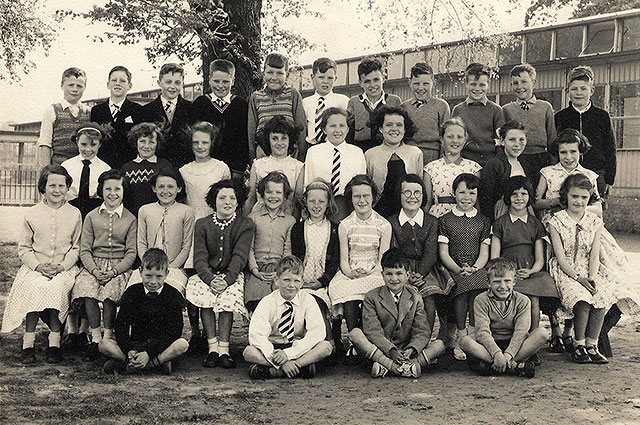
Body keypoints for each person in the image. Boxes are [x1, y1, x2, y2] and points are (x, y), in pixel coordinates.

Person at [1, 165, 82, 364]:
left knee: (56, 287)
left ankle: (54, 342)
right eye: (51, 185)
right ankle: (28, 343)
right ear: (43, 188)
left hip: (64, 268)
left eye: (61, 185)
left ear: (67, 187)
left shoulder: (74, 214)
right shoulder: (32, 213)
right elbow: (24, 248)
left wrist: (62, 266)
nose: (57, 190)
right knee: (34, 286)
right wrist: (38, 266)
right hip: (36, 267)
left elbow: (76, 248)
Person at [547, 174, 621, 364]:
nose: (579, 202)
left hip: (589, 269)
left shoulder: (594, 222)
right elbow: (560, 257)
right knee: (582, 298)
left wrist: (593, 277)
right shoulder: (556, 221)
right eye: (574, 197)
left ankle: (592, 344)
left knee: (600, 294)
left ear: (589, 198)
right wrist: (579, 278)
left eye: (583, 197)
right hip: (566, 271)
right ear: (566, 196)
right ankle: (579, 345)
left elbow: (594, 254)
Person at [185, 179, 254, 369]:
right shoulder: (202, 224)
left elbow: (240, 256)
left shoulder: (245, 224)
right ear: (213, 201)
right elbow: (199, 257)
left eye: (232, 198)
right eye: (222, 197)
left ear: (238, 202)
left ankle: (224, 349)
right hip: (207, 275)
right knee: (204, 297)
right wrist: (210, 279)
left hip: (231, 275)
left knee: (226, 302)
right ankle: (212, 348)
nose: (227, 202)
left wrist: (227, 279)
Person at [490, 176, 559, 363]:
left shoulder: (535, 224)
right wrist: (507, 273)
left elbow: (539, 258)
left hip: (530, 272)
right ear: (507, 197)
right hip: (507, 272)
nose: (519, 198)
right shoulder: (500, 223)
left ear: (529, 196)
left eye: (523, 193)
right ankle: (510, 341)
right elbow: (495, 257)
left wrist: (531, 271)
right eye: (514, 194)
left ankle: (532, 343)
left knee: (533, 299)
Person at [349, 247, 446, 378]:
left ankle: (397, 365)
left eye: (399, 273)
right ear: (382, 275)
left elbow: (422, 330)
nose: (394, 278)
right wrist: (391, 351)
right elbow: (373, 331)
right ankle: (395, 367)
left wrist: (411, 349)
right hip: (382, 349)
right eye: (389, 274)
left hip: (406, 350)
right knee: (355, 334)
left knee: (439, 345)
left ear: (407, 275)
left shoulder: (415, 297)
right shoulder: (372, 297)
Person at [72, 169, 137, 361]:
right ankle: (95, 338)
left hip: (119, 266)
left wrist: (115, 271)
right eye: (108, 188)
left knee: (110, 293)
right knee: (87, 289)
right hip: (94, 264)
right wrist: (93, 270)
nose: (112, 193)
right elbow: (85, 249)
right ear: (101, 190)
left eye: (117, 189)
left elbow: (131, 252)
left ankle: (108, 338)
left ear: (124, 191)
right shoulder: (92, 216)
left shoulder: (130, 218)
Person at [99, 248, 188, 375]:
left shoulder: (173, 295)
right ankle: (149, 364)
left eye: (158, 277)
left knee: (182, 344)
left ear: (166, 274)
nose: (153, 282)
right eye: (148, 276)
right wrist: (129, 350)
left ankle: (138, 364)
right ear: (140, 272)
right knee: (103, 344)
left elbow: (174, 331)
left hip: (161, 347)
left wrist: (149, 354)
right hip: (136, 345)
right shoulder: (132, 292)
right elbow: (121, 325)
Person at [243, 256, 333, 379]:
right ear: (276, 280)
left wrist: (288, 355)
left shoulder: (307, 300)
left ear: (302, 283)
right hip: (272, 347)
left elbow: (316, 333)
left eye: (296, 281)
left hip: (297, 347)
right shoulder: (267, 302)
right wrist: (279, 359)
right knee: (249, 352)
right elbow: (257, 334)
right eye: (286, 280)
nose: (291, 285)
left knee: (325, 347)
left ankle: (278, 371)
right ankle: (299, 369)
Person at [388, 173, 454, 334]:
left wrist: (419, 274)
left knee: (428, 300)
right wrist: (407, 274)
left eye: (417, 193)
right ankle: (403, 339)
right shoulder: (392, 222)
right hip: (401, 269)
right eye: (407, 193)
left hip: (427, 269)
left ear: (423, 196)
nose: (412, 197)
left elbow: (431, 253)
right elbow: (394, 252)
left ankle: (424, 340)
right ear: (400, 195)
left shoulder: (431, 221)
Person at [459, 258, 547, 378]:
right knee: (465, 341)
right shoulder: (481, 300)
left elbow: (521, 332)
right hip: (489, 346)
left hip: (515, 345)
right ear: (488, 283)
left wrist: (507, 355)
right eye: (497, 282)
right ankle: (514, 366)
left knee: (542, 333)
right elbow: (482, 332)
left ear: (514, 281)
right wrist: (496, 353)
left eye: (507, 281)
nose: (502, 286)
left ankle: (496, 365)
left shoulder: (523, 300)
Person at [328, 175, 391, 339]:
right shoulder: (345, 225)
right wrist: (351, 274)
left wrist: (369, 273)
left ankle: (369, 336)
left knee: (374, 287)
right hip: (350, 272)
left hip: (375, 272)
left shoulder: (384, 225)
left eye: (366, 196)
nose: (362, 200)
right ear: (351, 198)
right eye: (357, 196)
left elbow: (382, 261)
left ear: (373, 197)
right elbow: (344, 260)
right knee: (345, 290)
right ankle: (354, 337)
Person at [438, 173, 491, 360]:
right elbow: (443, 252)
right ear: (454, 193)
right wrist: (459, 269)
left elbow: (484, 252)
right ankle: (461, 335)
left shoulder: (483, 221)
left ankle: (474, 335)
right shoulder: (445, 220)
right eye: (462, 192)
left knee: (477, 289)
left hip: (477, 267)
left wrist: (475, 268)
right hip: (454, 267)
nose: (466, 197)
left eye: (471, 193)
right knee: (461, 288)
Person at [290, 179, 341, 349]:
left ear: (328, 203)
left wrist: (322, 281)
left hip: (326, 281)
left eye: (321, 201)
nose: (316, 205)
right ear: (305, 202)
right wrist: (300, 281)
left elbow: (335, 261)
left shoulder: (335, 228)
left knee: (318, 299)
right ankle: (320, 342)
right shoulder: (298, 228)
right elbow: (296, 258)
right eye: (312, 201)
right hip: (303, 280)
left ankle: (330, 340)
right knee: (307, 299)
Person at [555, 65, 616, 199]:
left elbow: (610, 148)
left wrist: (609, 179)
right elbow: (555, 147)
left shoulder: (602, 116)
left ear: (592, 90)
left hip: (596, 172)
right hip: (567, 173)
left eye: (583, 89)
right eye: (574, 89)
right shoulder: (560, 117)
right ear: (567, 91)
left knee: (594, 213)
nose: (579, 93)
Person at [132, 168, 195, 296]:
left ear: (179, 188)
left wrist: (170, 268)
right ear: (154, 188)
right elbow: (141, 243)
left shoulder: (187, 211)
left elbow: (186, 246)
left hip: (175, 268)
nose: (165, 191)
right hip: (148, 268)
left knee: (171, 292)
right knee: (135, 291)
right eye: (161, 187)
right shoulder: (144, 210)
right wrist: (147, 265)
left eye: (170, 187)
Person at [302, 107, 366, 222]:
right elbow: (308, 183)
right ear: (324, 129)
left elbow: (361, 186)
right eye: (332, 126)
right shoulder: (314, 152)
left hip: (347, 207)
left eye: (342, 126)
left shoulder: (357, 152)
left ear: (347, 129)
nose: (337, 130)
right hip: (320, 206)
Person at [245, 171, 296, 312]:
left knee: (280, 300)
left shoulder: (290, 221)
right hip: (257, 269)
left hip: (279, 270)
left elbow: (288, 250)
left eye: (278, 192)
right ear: (262, 194)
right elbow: (249, 248)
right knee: (256, 299)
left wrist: (280, 272)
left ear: (285, 196)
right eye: (269, 192)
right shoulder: (253, 218)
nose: (273, 196)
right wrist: (255, 271)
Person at [192, 60, 250, 179]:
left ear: (233, 81)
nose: (220, 86)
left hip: (232, 168)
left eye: (225, 82)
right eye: (216, 81)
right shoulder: (200, 103)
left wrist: (238, 169)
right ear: (209, 80)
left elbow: (243, 140)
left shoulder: (240, 105)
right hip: (205, 164)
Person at [365, 106, 423, 218]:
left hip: (408, 212)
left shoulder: (416, 153)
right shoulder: (370, 154)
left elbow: (420, 188)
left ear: (405, 129)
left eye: (399, 125)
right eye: (389, 125)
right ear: (381, 129)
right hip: (379, 212)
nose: (394, 129)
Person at [247, 53, 307, 160]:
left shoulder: (293, 95)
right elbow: (251, 131)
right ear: (263, 73)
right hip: (263, 152)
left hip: (289, 152)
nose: (274, 78)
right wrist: (252, 158)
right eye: (270, 72)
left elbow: (301, 127)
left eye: (279, 73)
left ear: (287, 75)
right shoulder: (256, 97)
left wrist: (301, 157)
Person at [535, 129, 602, 224]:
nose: (568, 157)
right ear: (557, 152)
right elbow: (536, 203)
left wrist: (575, 208)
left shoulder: (589, 175)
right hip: (554, 224)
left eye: (573, 151)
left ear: (580, 152)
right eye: (563, 152)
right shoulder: (547, 172)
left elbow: (598, 209)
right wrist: (556, 202)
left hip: (582, 224)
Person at [502, 63, 556, 181]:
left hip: (541, 158)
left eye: (524, 82)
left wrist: (553, 165)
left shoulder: (545, 107)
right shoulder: (507, 109)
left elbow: (552, 138)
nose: (519, 86)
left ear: (534, 83)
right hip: (517, 158)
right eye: (515, 83)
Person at [137, 63, 195, 169]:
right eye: (168, 82)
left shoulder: (191, 108)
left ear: (183, 84)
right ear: (159, 83)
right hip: (157, 168)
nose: (173, 87)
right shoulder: (146, 111)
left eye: (177, 83)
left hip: (185, 166)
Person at [424, 117, 482, 218]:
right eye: (450, 137)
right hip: (438, 217)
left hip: (466, 217)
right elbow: (427, 202)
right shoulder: (430, 168)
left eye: (459, 137)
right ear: (442, 139)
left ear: (465, 140)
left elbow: (477, 202)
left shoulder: (474, 168)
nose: (455, 141)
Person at [245, 115, 303, 215]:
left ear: (290, 140)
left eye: (284, 138)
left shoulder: (298, 166)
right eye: (275, 138)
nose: (279, 143)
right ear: (268, 140)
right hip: (260, 215)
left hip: (286, 217)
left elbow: (297, 199)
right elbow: (250, 197)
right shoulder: (258, 164)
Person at [479, 120, 536, 222]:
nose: (517, 144)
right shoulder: (495, 165)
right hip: (501, 218)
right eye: (512, 140)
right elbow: (486, 200)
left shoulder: (526, 164)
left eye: (521, 139)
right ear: (502, 140)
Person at [451, 63, 505, 166]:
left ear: (488, 85)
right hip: (465, 161)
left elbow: (500, 141)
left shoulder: (496, 110)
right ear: (466, 84)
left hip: (489, 162)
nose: (477, 88)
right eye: (473, 84)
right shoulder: (458, 110)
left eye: (482, 85)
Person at [90, 65, 142, 169]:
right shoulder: (97, 110)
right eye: (114, 80)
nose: (117, 83)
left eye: (122, 81)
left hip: (128, 166)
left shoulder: (138, 110)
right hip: (102, 166)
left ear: (129, 85)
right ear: (108, 84)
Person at [37, 67, 91, 166]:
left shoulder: (88, 112)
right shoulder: (52, 110)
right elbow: (45, 144)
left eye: (79, 86)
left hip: (82, 167)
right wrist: (46, 171)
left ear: (84, 87)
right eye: (71, 85)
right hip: (59, 168)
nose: (75, 89)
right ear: (62, 85)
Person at [347, 58, 402, 153]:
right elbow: (349, 134)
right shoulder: (354, 102)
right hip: (361, 152)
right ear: (360, 83)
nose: (372, 85)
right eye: (367, 81)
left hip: (389, 151)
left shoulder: (394, 101)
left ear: (383, 79)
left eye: (376, 80)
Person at [401, 62, 450, 165]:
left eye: (425, 84)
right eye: (416, 83)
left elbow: (446, 137)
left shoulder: (441, 106)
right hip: (409, 156)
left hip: (433, 155)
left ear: (433, 83)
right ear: (410, 83)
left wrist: (442, 162)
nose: (420, 88)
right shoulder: (404, 107)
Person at [121, 122, 174, 216]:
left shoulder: (165, 165)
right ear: (135, 141)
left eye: (151, 142)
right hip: (133, 219)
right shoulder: (127, 167)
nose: (146, 146)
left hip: (159, 216)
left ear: (157, 144)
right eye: (142, 141)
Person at [61, 123, 111, 218]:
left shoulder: (105, 169)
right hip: (69, 211)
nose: (88, 149)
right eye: (84, 144)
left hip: (96, 213)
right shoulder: (66, 166)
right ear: (77, 142)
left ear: (99, 144)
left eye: (93, 145)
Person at [302, 57, 349, 147]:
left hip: (335, 146)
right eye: (321, 77)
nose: (325, 82)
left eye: (330, 78)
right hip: (311, 146)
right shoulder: (306, 102)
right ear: (313, 78)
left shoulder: (343, 101)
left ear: (335, 79)